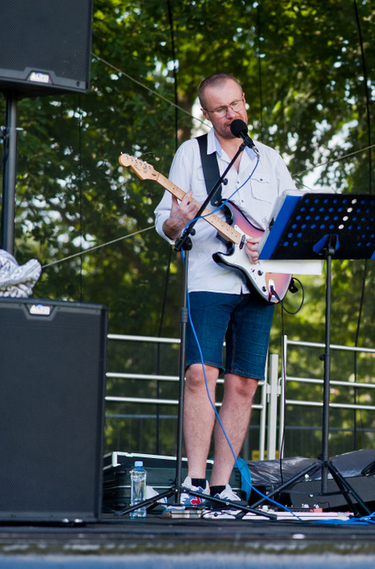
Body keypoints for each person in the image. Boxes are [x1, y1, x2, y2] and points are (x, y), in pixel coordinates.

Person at [154, 73, 297, 506]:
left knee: (245, 384)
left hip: (260, 280)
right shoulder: (191, 154)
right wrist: (180, 219)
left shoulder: (269, 158)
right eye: (220, 109)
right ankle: (193, 483)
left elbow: (291, 215)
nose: (230, 113)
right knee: (201, 374)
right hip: (208, 278)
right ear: (206, 114)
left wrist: (265, 244)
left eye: (235, 104)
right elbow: (167, 223)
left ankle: (222, 485)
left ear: (245, 104)